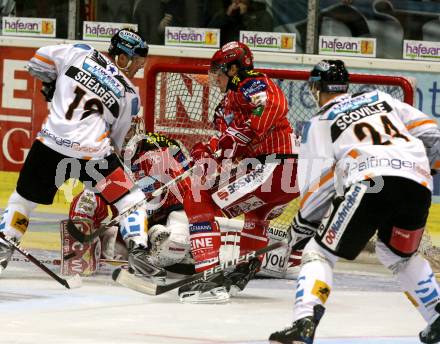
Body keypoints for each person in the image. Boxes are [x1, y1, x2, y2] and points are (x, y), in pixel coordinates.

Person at [269, 59, 440, 344]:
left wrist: (302, 227)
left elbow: (319, 184)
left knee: (319, 252)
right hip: (419, 184)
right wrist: (420, 167)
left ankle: (304, 322)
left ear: (317, 89)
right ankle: (437, 315)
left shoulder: (319, 123)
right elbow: (432, 134)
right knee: (397, 255)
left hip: (372, 182)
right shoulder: (381, 98)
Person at [0, 29, 165, 282]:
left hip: (50, 145)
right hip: (92, 155)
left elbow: (38, 61)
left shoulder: (79, 51)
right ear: (123, 57)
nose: (136, 70)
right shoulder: (129, 94)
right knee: (130, 199)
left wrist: (52, 82)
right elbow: (116, 142)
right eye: (136, 63)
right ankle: (139, 252)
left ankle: (4, 245)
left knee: (23, 200)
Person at [178, 41, 300, 303]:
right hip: (281, 177)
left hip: (275, 165)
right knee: (257, 212)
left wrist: (235, 137)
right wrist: (208, 152)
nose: (215, 77)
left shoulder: (250, 82)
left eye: (219, 70)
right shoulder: (227, 103)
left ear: (234, 68)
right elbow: (228, 147)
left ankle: (208, 277)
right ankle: (245, 267)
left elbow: (271, 107)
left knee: (197, 195)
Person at [64, 131, 194, 275]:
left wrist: (178, 234)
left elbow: (185, 201)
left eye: (128, 133)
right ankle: (79, 255)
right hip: (126, 237)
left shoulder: (160, 157)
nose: (123, 139)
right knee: (86, 200)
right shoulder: (102, 160)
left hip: (160, 232)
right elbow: (92, 199)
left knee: (174, 242)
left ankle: (169, 255)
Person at [207, 0, 273, 46]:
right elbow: (208, 36)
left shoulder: (262, 14)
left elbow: (263, 39)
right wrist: (226, 16)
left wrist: (245, 16)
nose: (237, 1)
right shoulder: (223, 14)